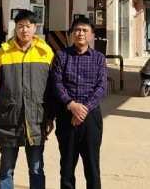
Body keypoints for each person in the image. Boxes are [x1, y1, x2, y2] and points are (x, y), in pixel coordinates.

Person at [0, 9, 55, 189]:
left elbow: (52, 89)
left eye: (28, 26)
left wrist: (50, 117)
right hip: (8, 119)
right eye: (20, 26)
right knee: (6, 169)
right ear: (15, 28)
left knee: (36, 168)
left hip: (36, 120)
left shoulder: (46, 52)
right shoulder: (2, 54)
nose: (24, 30)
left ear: (35, 28)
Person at [49, 16, 107, 189]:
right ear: (71, 34)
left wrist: (83, 110)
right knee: (67, 167)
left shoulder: (99, 58)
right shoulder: (61, 56)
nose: (80, 33)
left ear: (92, 35)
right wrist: (71, 105)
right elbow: (56, 83)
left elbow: (101, 87)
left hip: (91, 118)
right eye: (77, 30)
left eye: (84, 30)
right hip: (66, 116)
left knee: (92, 167)